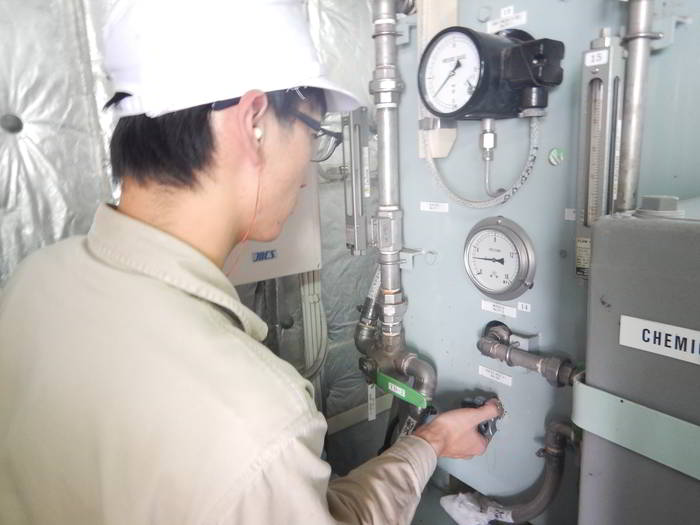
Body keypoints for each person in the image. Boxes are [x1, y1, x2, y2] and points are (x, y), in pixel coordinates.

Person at [0, 1, 501, 523]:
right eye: (314, 132)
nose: (308, 170)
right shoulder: (256, 420)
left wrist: (430, 441)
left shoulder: (33, 282)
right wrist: (432, 443)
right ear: (254, 122)